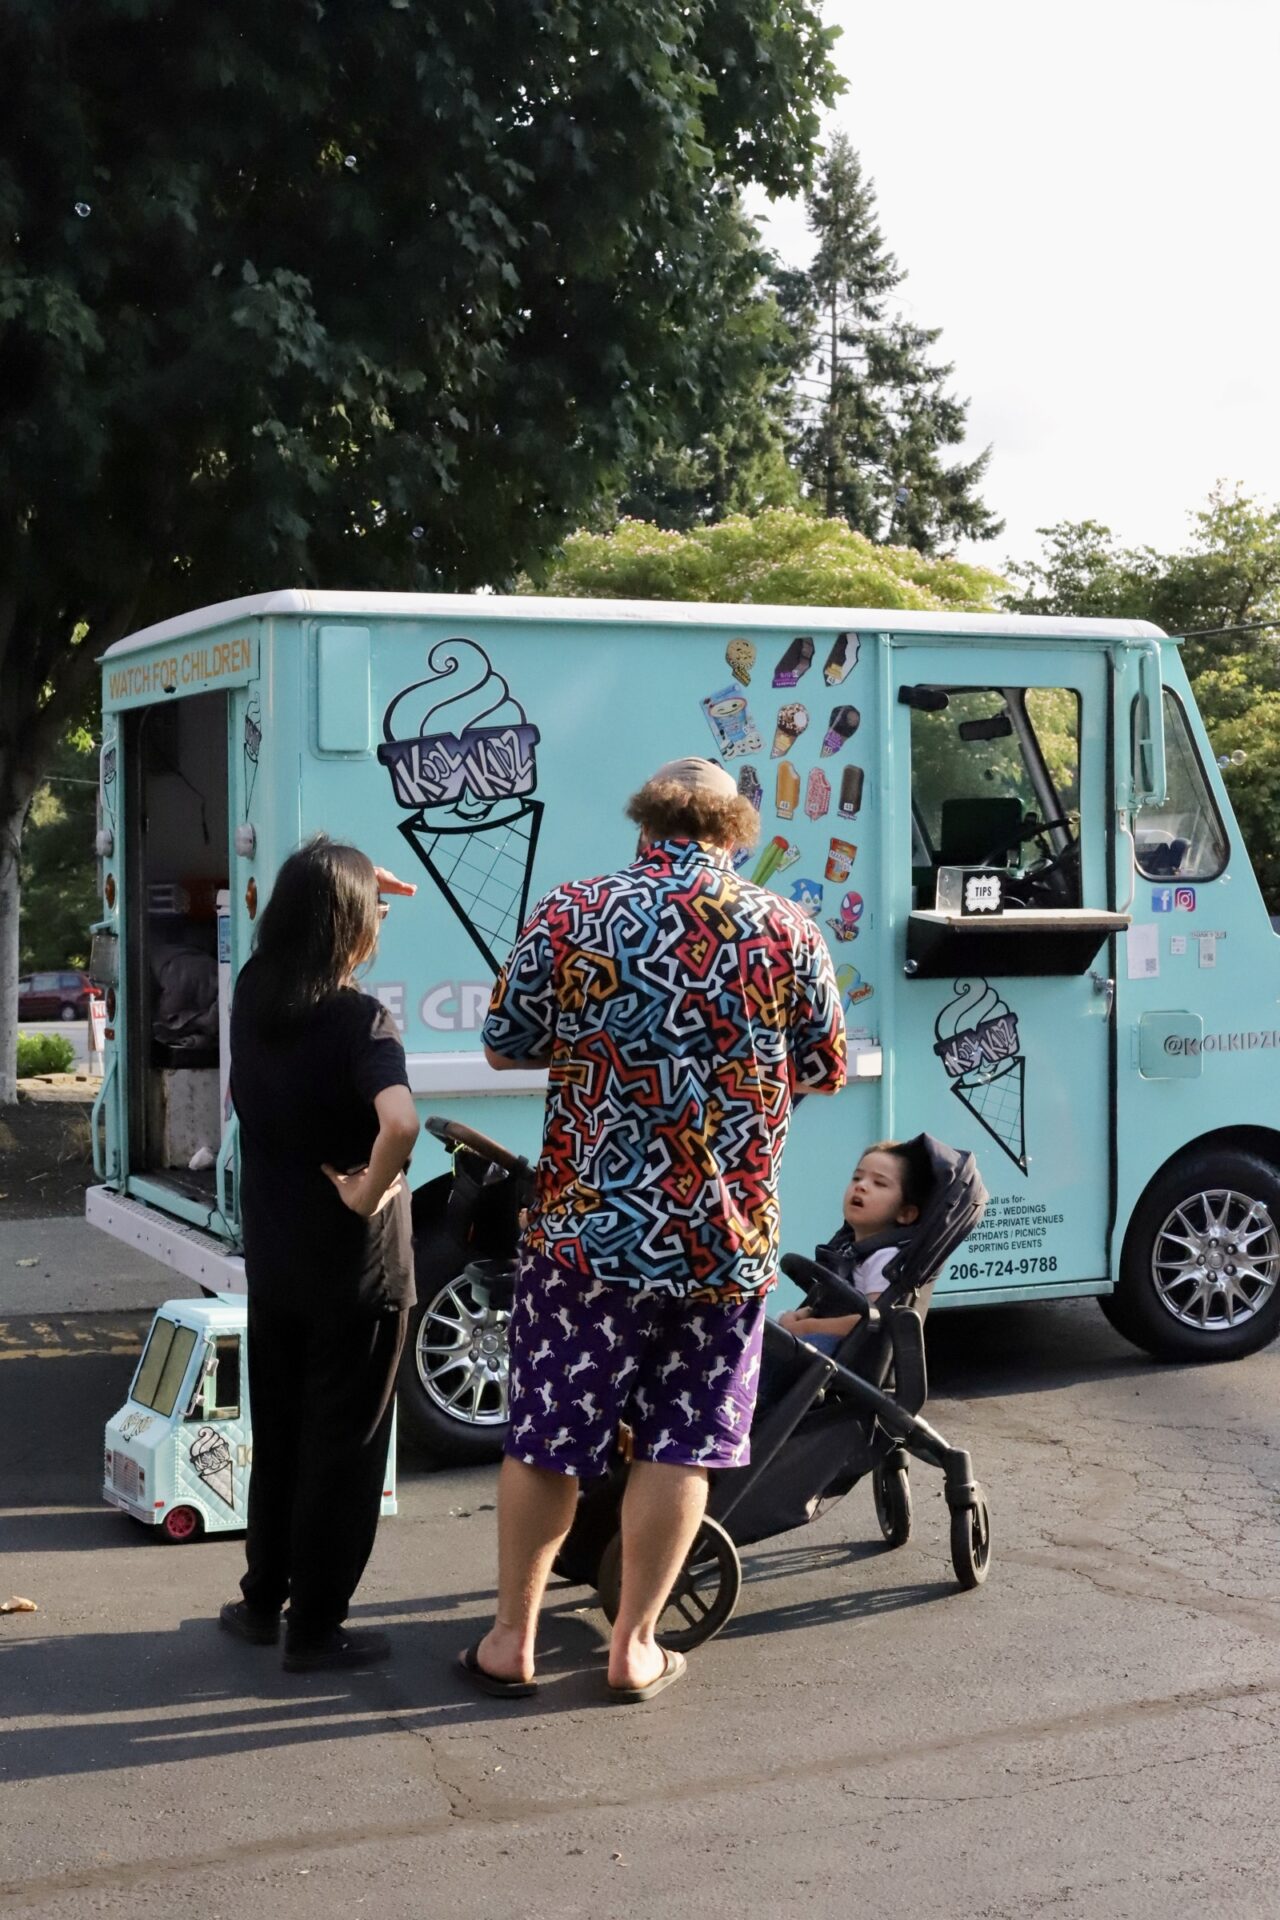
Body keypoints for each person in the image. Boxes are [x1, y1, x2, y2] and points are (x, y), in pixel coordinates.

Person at [462, 757, 846, 1704]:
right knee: (682, 1445)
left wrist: (601, 1041)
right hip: (724, 1241)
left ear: (645, 822)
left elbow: (504, 1044)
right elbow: (825, 1068)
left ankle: (511, 1640)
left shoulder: (574, 911)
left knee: (548, 1437)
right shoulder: (789, 928)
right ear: (736, 831)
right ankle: (633, 1648)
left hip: (586, 1236)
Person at [218, 837, 420, 1672]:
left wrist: (350, 872)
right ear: (348, 923)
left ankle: (262, 1599)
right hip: (356, 1272)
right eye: (373, 908)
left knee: (283, 1433)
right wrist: (371, 1189)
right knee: (344, 1448)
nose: (382, 919)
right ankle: (316, 1629)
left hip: (277, 1257)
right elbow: (400, 1122)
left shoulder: (255, 990)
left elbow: (313, 886)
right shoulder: (356, 1020)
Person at [777, 1139, 933, 1354]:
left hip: (843, 1351)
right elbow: (834, 1304)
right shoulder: (850, 1250)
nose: (861, 1186)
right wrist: (802, 1315)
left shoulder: (884, 1258)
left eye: (879, 1183)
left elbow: (871, 1320)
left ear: (905, 1214)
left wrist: (806, 1326)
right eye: (857, 1178)